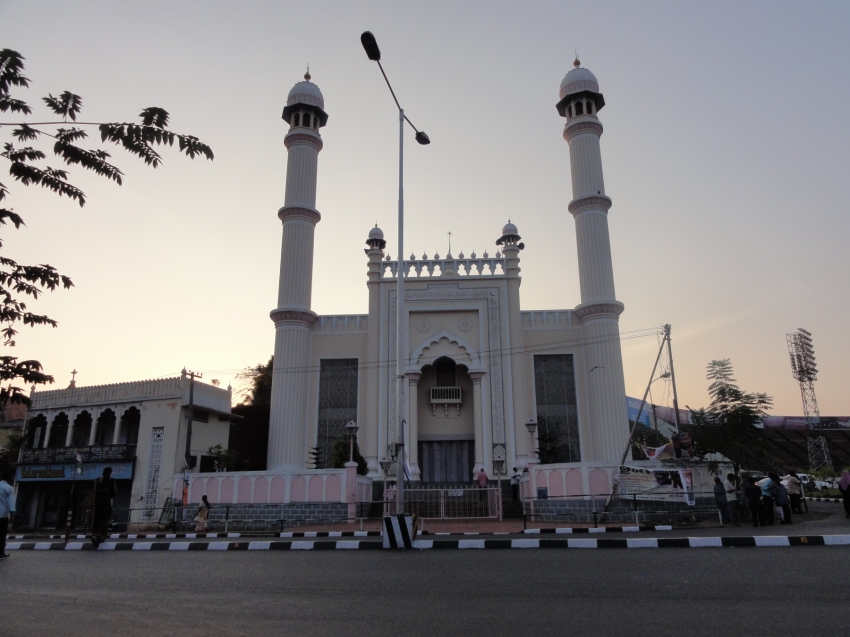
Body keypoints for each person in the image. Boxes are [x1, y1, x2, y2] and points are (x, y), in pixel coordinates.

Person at [90, 467, 117, 547]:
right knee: (104, 520)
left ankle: (95, 534)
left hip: (97, 503)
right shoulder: (111, 481)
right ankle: (99, 536)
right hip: (106, 503)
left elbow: (94, 492)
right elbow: (114, 492)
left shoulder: (97, 480)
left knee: (97, 519)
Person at [0, 473, 15, 559]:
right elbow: (11, 502)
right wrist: (12, 515)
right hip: (2, 515)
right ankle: (1, 552)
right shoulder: (9, 488)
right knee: (1, 534)